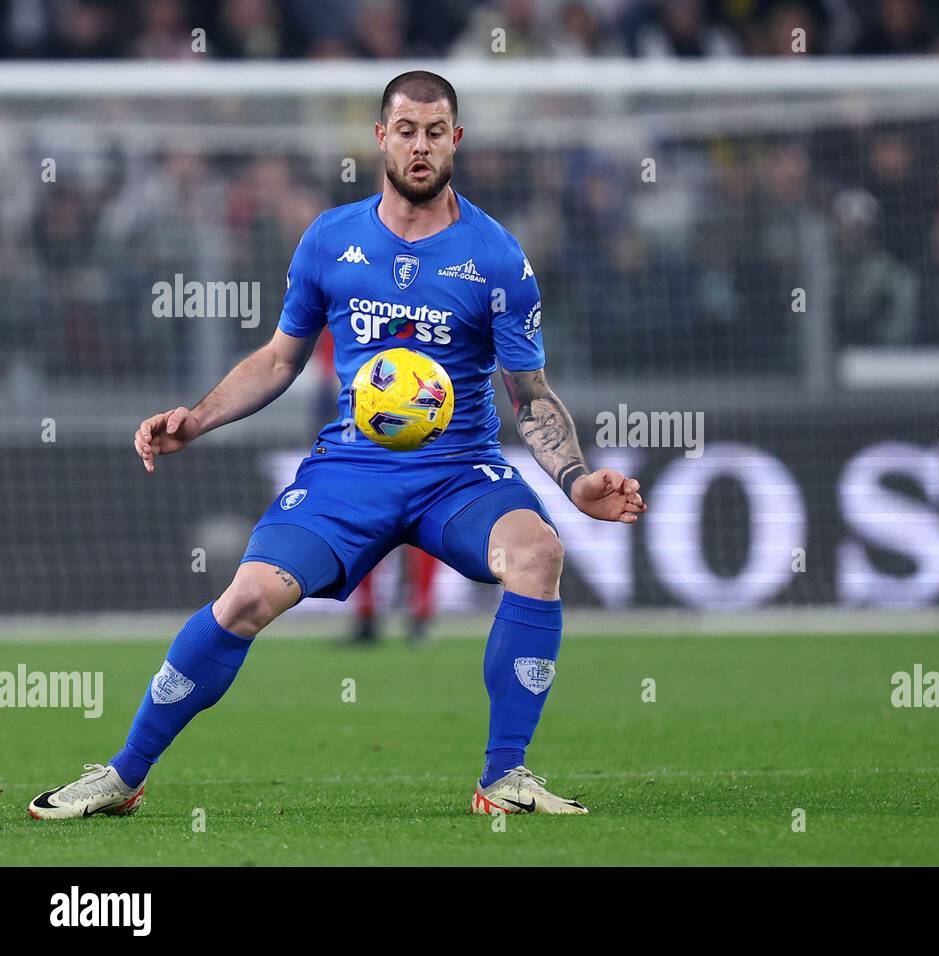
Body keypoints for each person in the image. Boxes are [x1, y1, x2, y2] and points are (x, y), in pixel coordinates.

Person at [28, 70, 646, 820]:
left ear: (458, 140)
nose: (421, 146)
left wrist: (576, 479)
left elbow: (530, 394)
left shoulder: (496, 258)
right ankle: (123, 775)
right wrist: (197, 418)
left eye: (436, 130)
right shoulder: (330, 238)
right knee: (247, 597)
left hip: (459, 472)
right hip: (350, 468)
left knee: (539, 554)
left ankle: (504, 778)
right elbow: (281, 359)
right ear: (380, 138)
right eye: (407, 130)